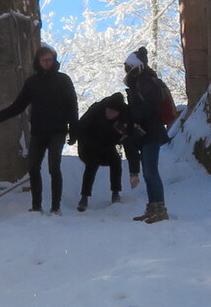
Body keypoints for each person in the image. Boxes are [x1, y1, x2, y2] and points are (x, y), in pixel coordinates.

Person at [0, 45, 80, 213]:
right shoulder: (32, 82)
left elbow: (72, 106)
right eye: (44, 60)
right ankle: (36, 207)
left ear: (54, 60)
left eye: (50, 59)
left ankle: (55, 207)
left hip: (57, 130)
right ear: (38, 61)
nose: (48, 63)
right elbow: (17, 106)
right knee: (33, 168)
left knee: (54, 167)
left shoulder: (63, 80)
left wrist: (74, 131)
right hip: (38, 131)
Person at [123, 48, 176, 224]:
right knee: (148, 172)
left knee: (150, 171)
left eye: (128, 66)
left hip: (151, 131)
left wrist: (136, 120)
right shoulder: (141, 82)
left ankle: (159, 208)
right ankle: (153, 207)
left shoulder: (144, 81)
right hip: (148, 132)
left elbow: (149, 105)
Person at [73, 95, 129, 210]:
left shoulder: (125, 114)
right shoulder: (96, 109)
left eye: (113, 112)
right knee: (91, 165)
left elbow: (128, 133)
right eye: (108, 110)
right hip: (89, 144)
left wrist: (121, 137)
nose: (109, 114)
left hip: (108, 144)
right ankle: (84, 197)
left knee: (116, 162)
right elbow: (81, 127)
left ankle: (115, 193)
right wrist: (82, 140)